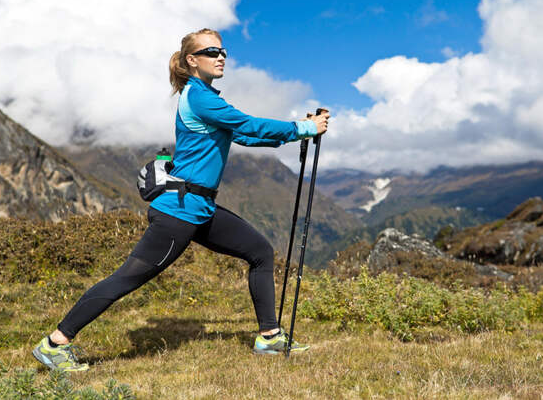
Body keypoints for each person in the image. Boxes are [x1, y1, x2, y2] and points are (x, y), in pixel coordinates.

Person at [32, 28, 329, 371]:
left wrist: (295, 133)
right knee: (127, 278)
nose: (221, 57)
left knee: (260, 251)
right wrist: (303, 129)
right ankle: (56, 342)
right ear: (192, 60)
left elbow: (244, 134)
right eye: (212, 52)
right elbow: (247, 123)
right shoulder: (200, 98)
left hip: (198, 208)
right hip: (179, 213)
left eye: (224, 52)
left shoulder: (206, 98)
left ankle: (269, 336)